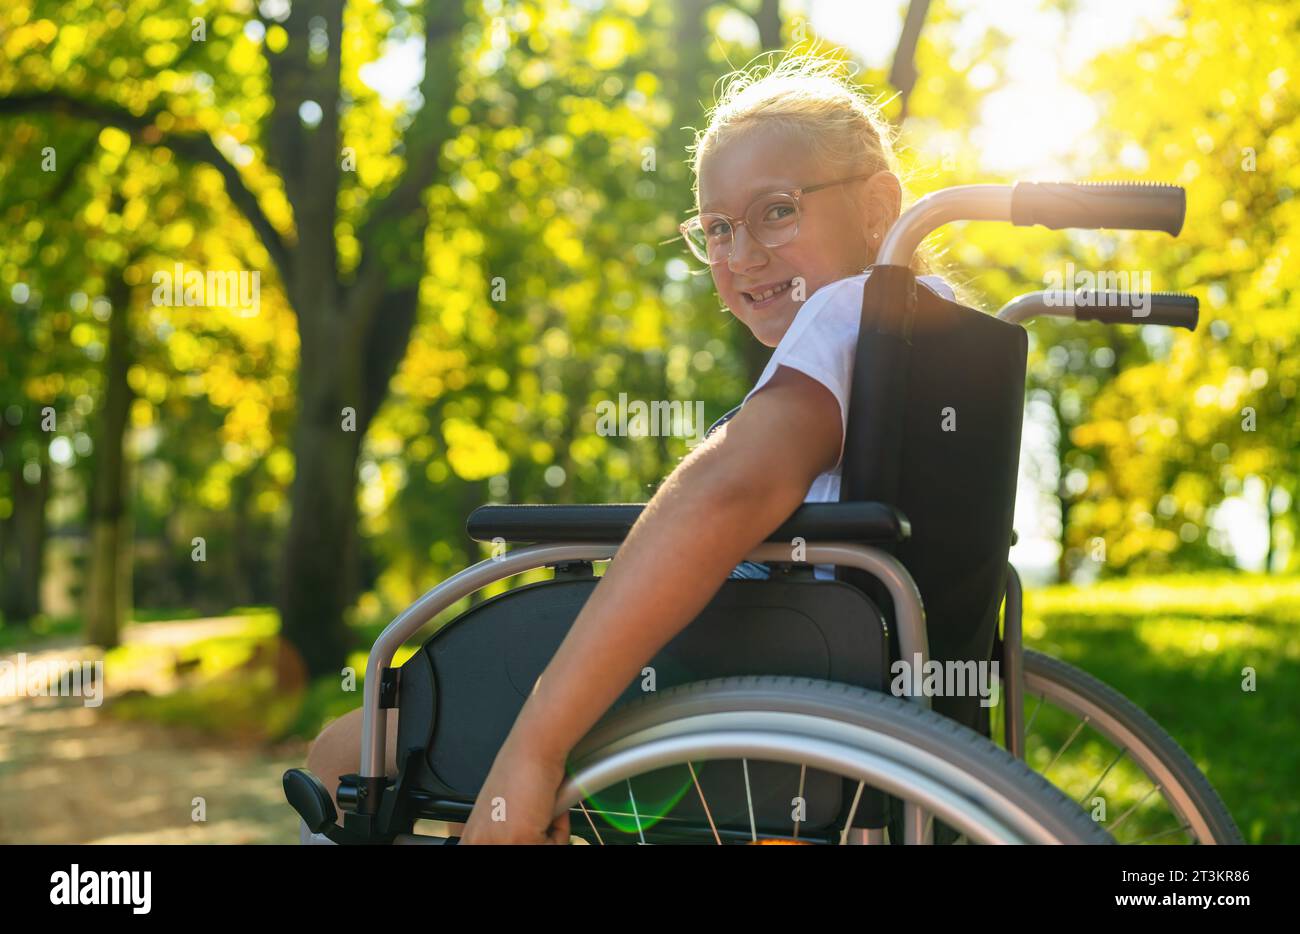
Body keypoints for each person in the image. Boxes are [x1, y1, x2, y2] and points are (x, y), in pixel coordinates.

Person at [305, 50, 955, 844]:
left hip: (761, 666)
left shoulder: (849, 311)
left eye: (776, 210)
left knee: (343, 753)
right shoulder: (938, 320)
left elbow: (725, 493)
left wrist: (533, 750)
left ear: (878, 206)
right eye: (716, 228)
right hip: (836, 665)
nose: (741, 253)